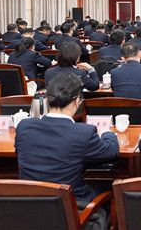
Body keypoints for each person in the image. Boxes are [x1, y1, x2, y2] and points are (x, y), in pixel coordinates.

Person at [15, 73, 119, 203]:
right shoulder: (83, 133)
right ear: (77, 101)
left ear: (47, 98)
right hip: (71, 207)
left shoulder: (24, 126)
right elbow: (111, 151)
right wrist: (107, 133)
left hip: (30, 203)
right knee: (108, 186)